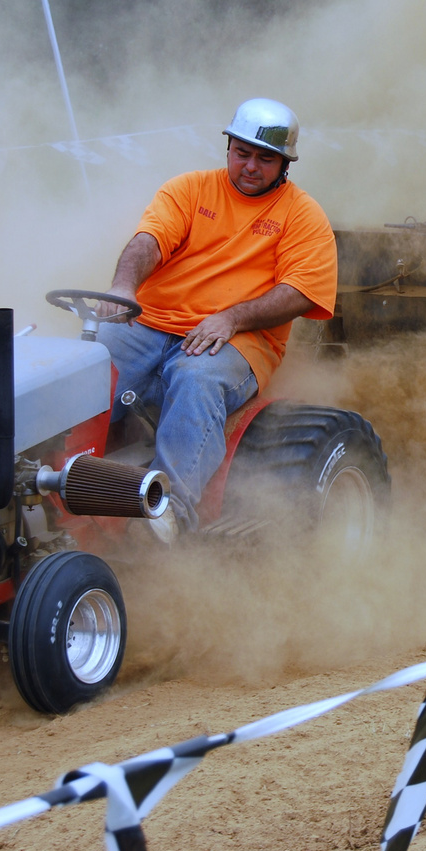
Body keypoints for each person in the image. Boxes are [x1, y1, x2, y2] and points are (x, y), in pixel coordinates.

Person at [96, 98, 338, 539]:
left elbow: (300, 292)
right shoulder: (188, 190)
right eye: (242, 153)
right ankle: (54, 480)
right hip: (149, 325)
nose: (250, 167)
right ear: (227, 147)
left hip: (240, 341)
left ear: (285, 165)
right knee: (89, 360)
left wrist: (231, 318)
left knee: (196, 377)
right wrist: (122, 286)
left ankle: (167, 513)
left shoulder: (303, 216)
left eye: (266, 159)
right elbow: (148, 240)